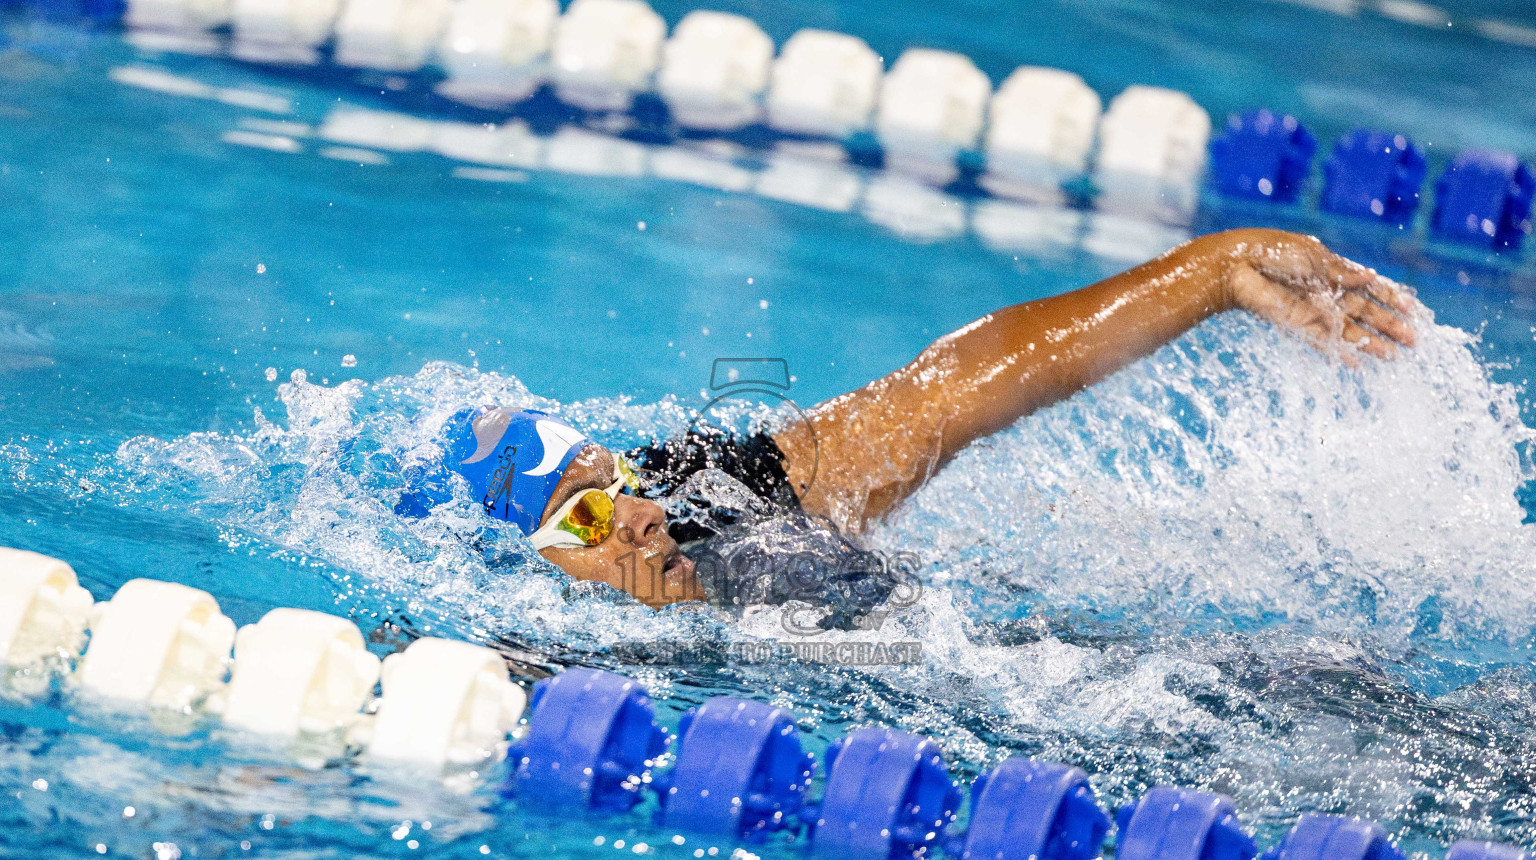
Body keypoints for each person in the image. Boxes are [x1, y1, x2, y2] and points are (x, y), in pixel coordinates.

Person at [400, 228, 1415, 615]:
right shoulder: (532, 650)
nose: (635, 520)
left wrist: (1212, 272)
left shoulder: (727, 495)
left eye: (617, 483)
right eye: (581, 520)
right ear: (514, 562)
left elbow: (949, 387)